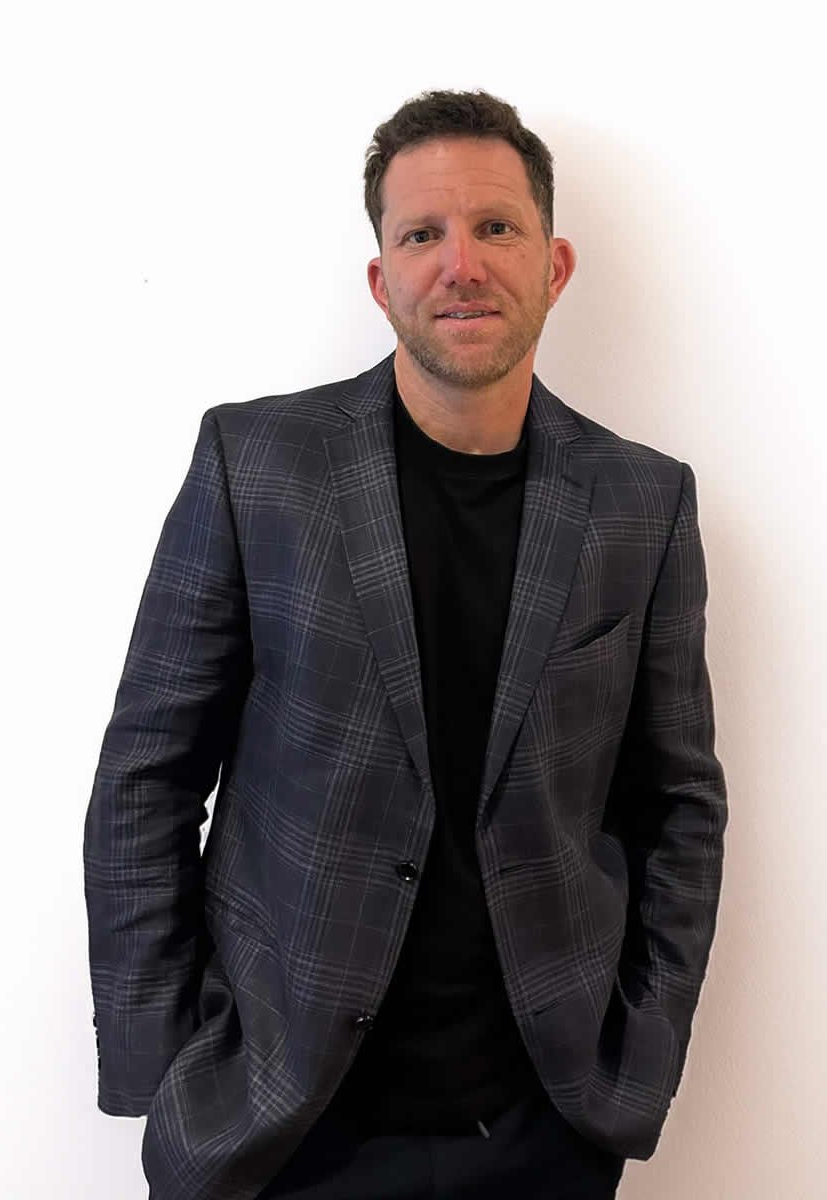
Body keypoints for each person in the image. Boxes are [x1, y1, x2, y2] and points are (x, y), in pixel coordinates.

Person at [83, 89, 727, 1200]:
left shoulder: (643, 503)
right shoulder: (256, 465)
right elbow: (146, 774)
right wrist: (168, 1070)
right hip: (280, 1128)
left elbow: (679, 805)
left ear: (554, 266)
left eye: (496, 227)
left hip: (540, 1135)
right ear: (382, 280)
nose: (460, 264)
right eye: (422, 234)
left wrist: (639, 1058)